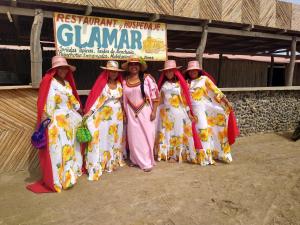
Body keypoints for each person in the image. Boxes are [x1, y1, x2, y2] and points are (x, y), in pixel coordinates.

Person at [27, 56, 83, 193]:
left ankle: (68, 176)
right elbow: (46, 102)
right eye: (60, 68)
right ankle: (58, 179)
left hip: (69, 121)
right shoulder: (49, 82)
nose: (63, 70)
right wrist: (46, 121)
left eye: (65, 68)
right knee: (58, 150)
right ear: (55, 69)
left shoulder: (67, 84)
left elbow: (73, 101)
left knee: (69, 148)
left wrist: (81, 110)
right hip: (56, 121)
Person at [185, 60, 238, 164]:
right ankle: (195, 156)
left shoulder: (204, 79)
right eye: (190, 71)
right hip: (190, 113)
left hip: (202, 110)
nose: (192, 72)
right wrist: (188, 113)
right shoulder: (186, 82)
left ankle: (207, 157)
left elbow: (215, 91)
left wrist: (226, 102)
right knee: (192, 135)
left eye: (194, 70)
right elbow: (184, 98)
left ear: (198, 70)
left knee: (204, 131)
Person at [84, 61, 125, 181]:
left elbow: (122, 100)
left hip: (117, 117)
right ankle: (101, 162)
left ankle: (111, 162)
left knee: (114, 138)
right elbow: (96, 100)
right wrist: (89, 113)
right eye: (111, 71)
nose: (113, 73)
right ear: (107, 72)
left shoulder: (119, 84)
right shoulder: (103, 84)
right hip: (103, 117)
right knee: (103, 138)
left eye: (115, 71)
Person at [156, 60, 202, 163]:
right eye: (166, 71)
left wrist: (189, 113)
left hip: (178, 112)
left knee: (178, 132)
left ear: (175, 71)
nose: (168, 73)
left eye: (170, 71)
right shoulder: (164, 85)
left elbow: (185, 99)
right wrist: (154, 111)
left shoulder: (180, 84)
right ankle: (168, 154)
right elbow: (160, 100)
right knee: (168, 133)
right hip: (166, 113)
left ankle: (178, 154)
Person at [122, 55, 159, 172]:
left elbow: (156, 96)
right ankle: (135, 159)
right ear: (128, 67)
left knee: (147, 135)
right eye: (131, 64)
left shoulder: (147, 79)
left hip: (145, 110)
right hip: (131, 112)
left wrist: (154, 111)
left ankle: (146, 162)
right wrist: (124, 113)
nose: (134, 66)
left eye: (136, 64)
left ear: (140, 66)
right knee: (134, 137)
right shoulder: (124, 81)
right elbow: (124, 99)